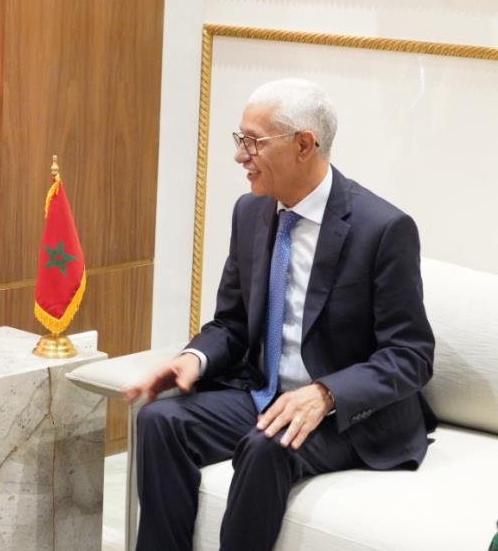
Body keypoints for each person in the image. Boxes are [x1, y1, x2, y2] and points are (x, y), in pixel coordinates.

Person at [124, 79, 436, 551]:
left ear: (303, 145)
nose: (239, 155)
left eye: (253, 142)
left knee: (266, 446)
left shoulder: (383, 228)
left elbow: (411, 355)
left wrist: (326, 394)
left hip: (346, 414)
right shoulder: (250, 212)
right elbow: (231, 323)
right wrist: (193, 359)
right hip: (265, 393)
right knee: (160, 422)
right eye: (239, 139)